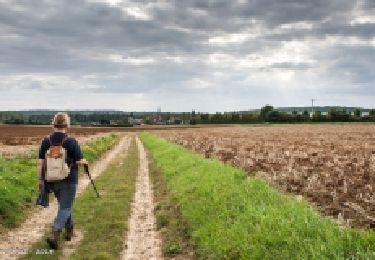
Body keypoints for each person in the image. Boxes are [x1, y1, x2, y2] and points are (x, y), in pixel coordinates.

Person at [38, 112, 87, 249]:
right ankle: (55, 233)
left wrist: (41, 179)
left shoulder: (46, 141)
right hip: (68, 180)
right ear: (67, 124)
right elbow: (79, 161)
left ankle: (69, 230)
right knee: (66, 207)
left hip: (51, 179)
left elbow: (41, 163)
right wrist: (84, 162)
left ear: (53, 124)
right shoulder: (71, 141)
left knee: (64, 205)